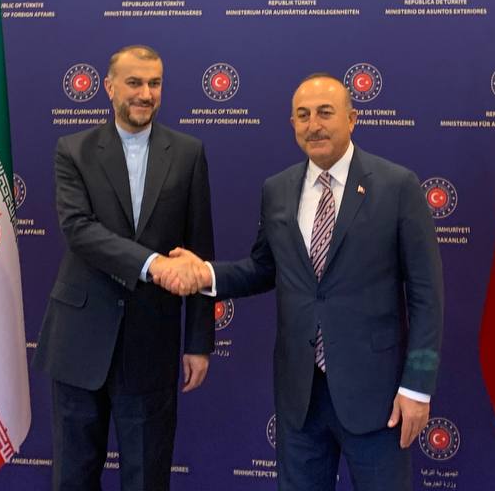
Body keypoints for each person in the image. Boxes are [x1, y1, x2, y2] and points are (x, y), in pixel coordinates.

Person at [161, 73, 443, 491]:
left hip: (378, 397)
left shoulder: (397, 186)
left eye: (325, 113)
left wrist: (417, 387)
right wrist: (205, 273)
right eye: (303, 115)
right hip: (300, 396)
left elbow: (427, 297)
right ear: (292, 124)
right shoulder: (277, 189)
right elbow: (263, 268)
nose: (314, 125)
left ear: (352, 119)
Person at [34, 45, 215, 491]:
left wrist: (198, 341)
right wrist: (152, 265)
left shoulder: (188, 153)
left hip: (151, 343)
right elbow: (79, 230)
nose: (145, 94)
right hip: (79, 341)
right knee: (73, 478)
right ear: (110, 87)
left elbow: (198, 251)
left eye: (155, 83)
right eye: (134, 82)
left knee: (147, 478)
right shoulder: (73, 150)